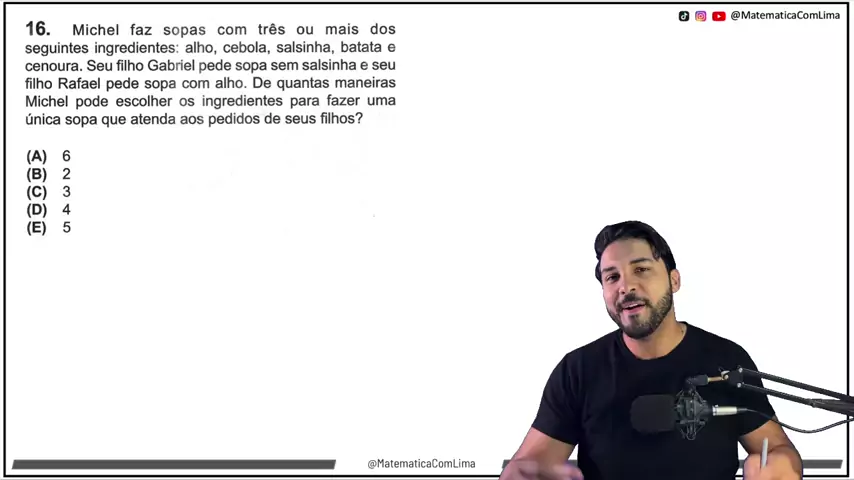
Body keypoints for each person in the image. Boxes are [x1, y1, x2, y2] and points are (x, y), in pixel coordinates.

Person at [500, 221, 802, 480]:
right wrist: (526, 473)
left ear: (674, 280)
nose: (625, 286)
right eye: (612, 277)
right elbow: (531, 463)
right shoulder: (578, 370)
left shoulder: (726, 360)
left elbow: (777, 448)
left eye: (641, 269)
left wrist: (780, 465)